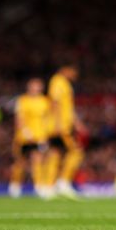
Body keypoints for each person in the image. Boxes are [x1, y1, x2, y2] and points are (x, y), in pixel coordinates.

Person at [44, 65, 86, 199]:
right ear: (65, 69)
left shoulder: (65, 84)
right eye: (73, 71)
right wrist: (57, 123)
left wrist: (77, 123)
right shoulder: (57, 81)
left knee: (55, 154)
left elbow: (68, 107)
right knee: (77, 152)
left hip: (64, 125)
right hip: (60, 126)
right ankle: (63, 182)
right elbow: (55, 103)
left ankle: (49, 186)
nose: (75, 75)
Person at [9, 78, 51, 198]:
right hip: (23, 136)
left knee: (37, 160)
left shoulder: (45, 101)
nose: (35, 89)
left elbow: (47, 119)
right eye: (33, 86)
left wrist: (46, 134)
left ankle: (39, 186)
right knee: (20, 162)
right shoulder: (23, 100)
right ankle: (15, 185)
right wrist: (25, 132)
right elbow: (19, 118)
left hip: (39, 136)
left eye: (37, 86)